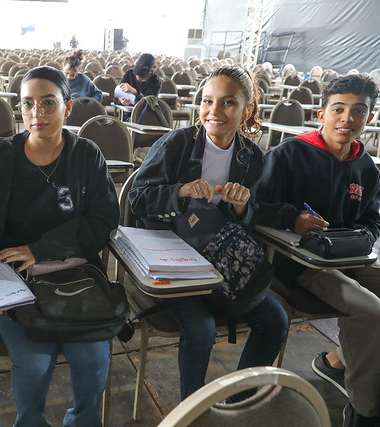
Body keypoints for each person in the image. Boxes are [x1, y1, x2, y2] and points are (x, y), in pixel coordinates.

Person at [0, 66, 119, 426]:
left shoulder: (86, 156)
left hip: (74, 274)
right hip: (9, 278)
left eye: (49, 103)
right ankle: (30, 421)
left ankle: (82, 420)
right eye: (28, 104)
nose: (38, 114)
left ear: (68, 107)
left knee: (94, 360)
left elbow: (102, 221)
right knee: (35, 361)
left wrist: (40, 248)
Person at [128, 66, 288, 401]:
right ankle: (195, 409)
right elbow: (137, 199)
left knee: (275, 321)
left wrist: (243, 207)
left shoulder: (250, 157)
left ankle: (238, 400)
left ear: (247, 111)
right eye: (207, 101)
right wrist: (181, 190)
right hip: (170, 255)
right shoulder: (176, 144)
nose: (214, 111)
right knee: (202, 330)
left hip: (221, 259)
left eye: (228, 103)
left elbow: (254, 216)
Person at [255, 74, 380, 427]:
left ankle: (338, 362)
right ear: (322, 113)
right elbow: (255, 208)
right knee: (372, 313)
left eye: (358, 111)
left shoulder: (365, 166)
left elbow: (373, 217)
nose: (347, 118)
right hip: (298, 263)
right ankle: (364, 410)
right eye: (338, 109)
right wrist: (291, 217)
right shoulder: (290, 154)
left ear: (369, 118)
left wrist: (364, 237)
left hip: (348, 258)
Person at [115, 53, 161, 120]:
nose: (138, 76)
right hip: (126, 114)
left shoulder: (156, 81)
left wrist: (135, 92)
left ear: (152, 70)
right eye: (137, 73)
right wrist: (121, 101)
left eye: (142, 75)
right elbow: (115, 98)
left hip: (144, 116)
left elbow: (148, 103)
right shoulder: (129, 74)